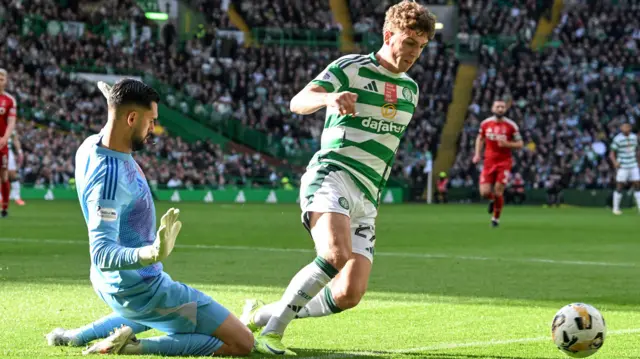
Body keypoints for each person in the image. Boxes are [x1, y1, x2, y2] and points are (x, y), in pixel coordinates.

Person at [240, 1, 437, 355]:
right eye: (409, 42)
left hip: (368, 196)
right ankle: (272, 335)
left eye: (421, 46)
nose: (414, 53)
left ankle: (259, 317)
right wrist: (330, 97)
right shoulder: (352, 67)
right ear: (389, 34)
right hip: (333, 176)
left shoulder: (410, 90)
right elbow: (298, 101)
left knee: (349, 294)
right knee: (334, 254)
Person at [45, 79, 254, 356]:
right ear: (131, 118)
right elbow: (102, 252)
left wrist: (113, 97)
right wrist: (151, 253)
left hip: (116, 285)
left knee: (153, 314)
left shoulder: (90, 146)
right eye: (150, 121)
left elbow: (114, 118)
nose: (153, 129)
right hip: (142, 289)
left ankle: (74, 337)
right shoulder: (109, 180)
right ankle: (133, 347)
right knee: (242, 342)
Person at [472, 99, 523, 227]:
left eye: (502, 107)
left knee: (498, 190)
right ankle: (493, 200)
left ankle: (495, 219)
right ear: (492, 108)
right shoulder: (485, 124)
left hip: (504, 162)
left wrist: (507, 144)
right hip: (488, 161)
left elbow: (520, 143)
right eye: (498, 107)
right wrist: (477, 154)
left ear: (505, 109)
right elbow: (480, 138)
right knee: (484, 192)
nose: (500, 109)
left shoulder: (511, 126)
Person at [609, 122, 640, 215]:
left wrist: (638, 162)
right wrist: (615, 162)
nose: (625, 129)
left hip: (633, 164)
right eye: (623, 127)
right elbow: (611, 153)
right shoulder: (617, 139)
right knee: (619, 185)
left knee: (637, 185)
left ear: (630, 128)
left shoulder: (634, 137)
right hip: (622, 165)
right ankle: (615, 208)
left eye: (627, 127)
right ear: (621, 128)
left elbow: (637, 150)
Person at [0, 68, 17, 218]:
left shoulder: (10, 100)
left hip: (1, 144)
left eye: (2, 78)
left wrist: (4, 138)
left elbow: (11, 122)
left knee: (4, 176)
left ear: (6, 81)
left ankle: (4, 208)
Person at [8, 131, 25, 205]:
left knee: (12, 175)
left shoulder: (9, 126)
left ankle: (17, 197)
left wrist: (20, 151)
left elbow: (15, 139)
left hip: (7, 151)